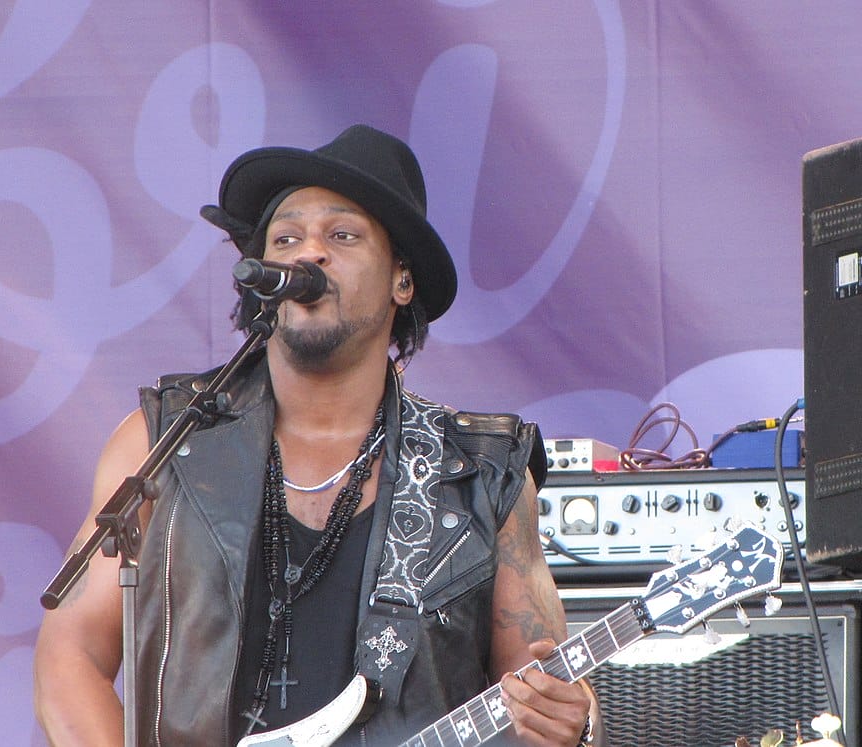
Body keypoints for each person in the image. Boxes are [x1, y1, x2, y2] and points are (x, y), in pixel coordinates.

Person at [34, 124, 600, 746]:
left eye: (342, 235)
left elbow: (545, 690)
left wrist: (575, 725)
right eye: (286, 239)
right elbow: (71, 657)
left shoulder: (480, 474)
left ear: (402, 280)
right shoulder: (162, 442)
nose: (309, 253)